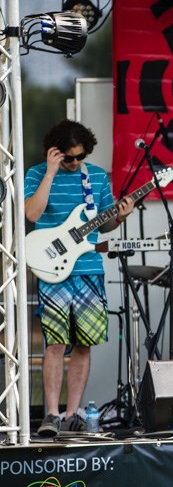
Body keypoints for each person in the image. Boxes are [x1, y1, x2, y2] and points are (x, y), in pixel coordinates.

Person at [25, 120, 134, 436]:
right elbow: (32, 215)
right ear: (55, 151)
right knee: (56, 344)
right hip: (52, 270)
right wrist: (49, 171)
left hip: (88, 268)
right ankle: (51, 414)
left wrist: (120, 217)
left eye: (79, 157)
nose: (74, 163)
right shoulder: (35, 174)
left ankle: (73, 412)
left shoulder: (96, 176)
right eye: (68, 158)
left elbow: (106, 225)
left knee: (85, 344)